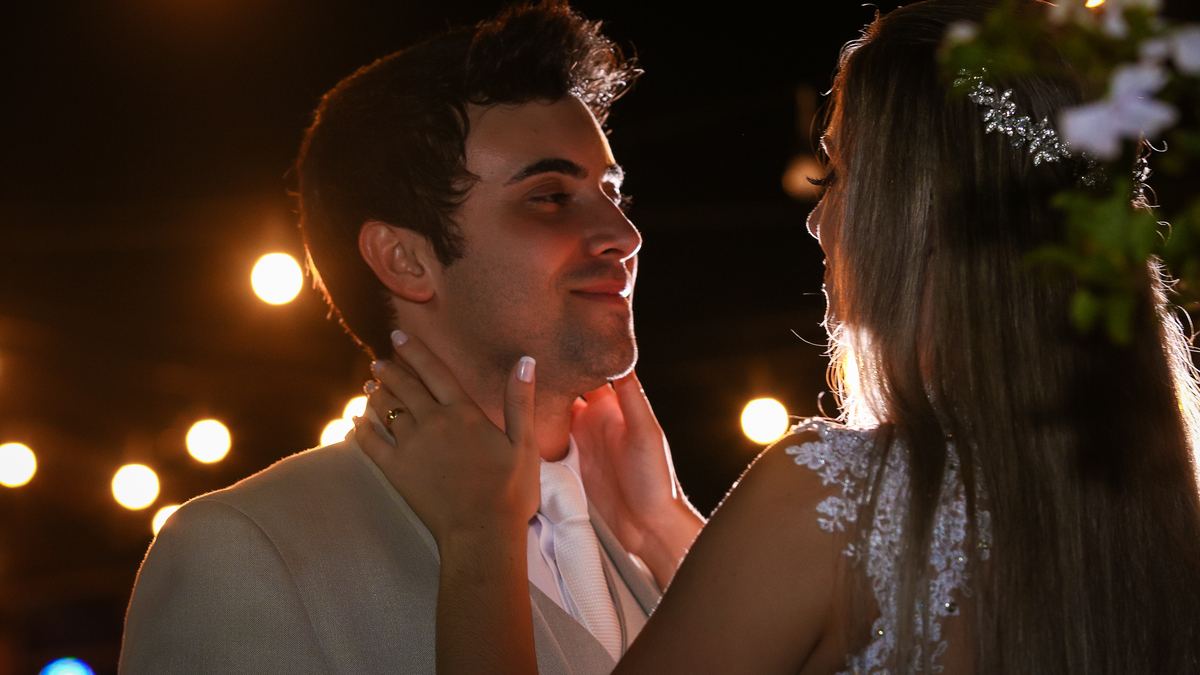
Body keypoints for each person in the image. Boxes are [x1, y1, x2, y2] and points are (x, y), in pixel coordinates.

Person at [358, 0, 1200, 673]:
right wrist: (661, 524)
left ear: (917, 214)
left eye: (837, 172)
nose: (817, 219)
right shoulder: (1148, 526)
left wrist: (479, 536)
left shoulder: (835, 499)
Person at [118, 2, 703, 673]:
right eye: (549, 197)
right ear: (405, 260)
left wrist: (663, 527)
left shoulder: (651, 542)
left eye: (613, 194)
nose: (625, 236)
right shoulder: (245, 550)